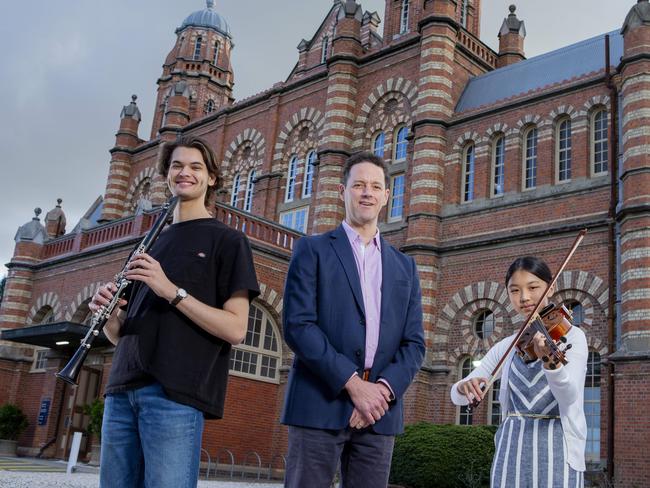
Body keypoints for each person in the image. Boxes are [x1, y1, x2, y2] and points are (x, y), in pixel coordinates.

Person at [89, 135, 259, 488]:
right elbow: (120, 335)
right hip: (121, 391)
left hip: (174, 395)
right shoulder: (149, 242)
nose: (186, 173)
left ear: (211, 178)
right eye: (177, 165)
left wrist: (170, 290)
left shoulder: (228, 241)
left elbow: (236, 329)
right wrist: (109, 316)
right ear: (167, 174)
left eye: (196, 166)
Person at [281, 151, 425, 488]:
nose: (367, 192)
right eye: (358, 184)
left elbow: (414, 343)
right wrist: (353, 384)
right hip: (319, 403)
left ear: (387, 195)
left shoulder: (406, 266)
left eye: (375, 186)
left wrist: (380, 393)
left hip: (379, 413)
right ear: (343, 191)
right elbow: (298, 326)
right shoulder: (311, 250)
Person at [451, 256, 588, 487]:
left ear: (550, 287)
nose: (524, 298)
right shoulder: (507, 346)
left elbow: (570, 395)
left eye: (533, 287)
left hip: (558, 446)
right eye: (514, 290)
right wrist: (465, 386)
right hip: (510, 448)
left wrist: (550, 362)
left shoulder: (572, 336)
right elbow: (457, 394)